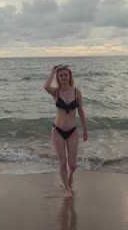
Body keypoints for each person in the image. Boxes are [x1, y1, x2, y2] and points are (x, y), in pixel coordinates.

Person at [44, 64, 88, 198]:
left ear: (69, 76)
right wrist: (53, 71)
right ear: (58, 77)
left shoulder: (76, 92)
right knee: (62, 161)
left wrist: (85, 129)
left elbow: (80, 110)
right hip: (57, 130)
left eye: (65, 75)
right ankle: (66, 189)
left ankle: (71, 175)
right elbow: (46, 86)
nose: (63, 77)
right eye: (61, 75)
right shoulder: (56, 92)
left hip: (73, 131)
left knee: (73, 164)